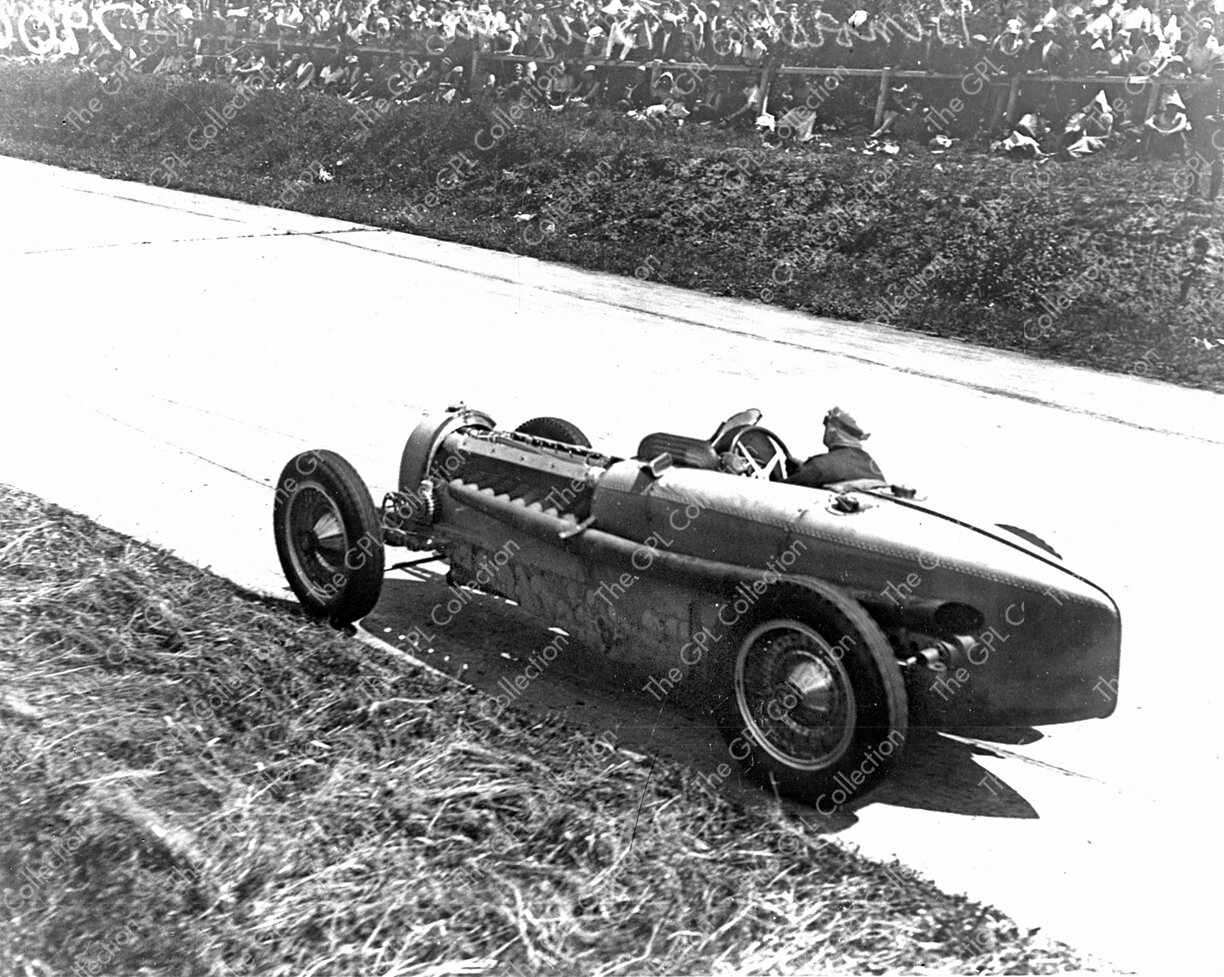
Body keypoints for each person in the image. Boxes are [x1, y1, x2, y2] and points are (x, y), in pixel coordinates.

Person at [785, 408, 885, 489]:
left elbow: (778, 493)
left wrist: (805, 471)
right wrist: (804, 469)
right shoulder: (870, 465)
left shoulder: (819, 466)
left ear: (831, 427)